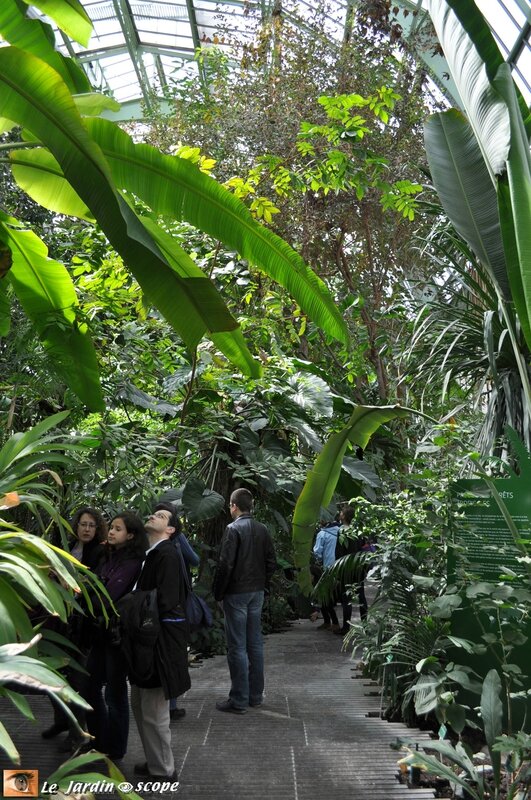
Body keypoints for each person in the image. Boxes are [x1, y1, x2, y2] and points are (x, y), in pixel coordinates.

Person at [130, 505, 191, 780]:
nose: (153, 515)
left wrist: (133, 604)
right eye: (153, 513)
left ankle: (164, 770)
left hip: (159, 641)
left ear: (170, 530)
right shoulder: (152, 554)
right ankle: (155, 761)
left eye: (162, 516)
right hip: (149, 639)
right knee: (142, 706)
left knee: (154, 711)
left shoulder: (166, 553)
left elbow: (165, 600)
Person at [83, 511, 147, 760]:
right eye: (111, 527)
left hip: (116, 636)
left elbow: (107, 595)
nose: (111, 531)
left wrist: (90, 589)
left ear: (130, 535)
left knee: (115, 694)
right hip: (100, 633)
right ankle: (100, 741)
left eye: (118, 529)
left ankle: (116, 748)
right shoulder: (108, 555)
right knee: (90, 687)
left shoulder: (132, 562)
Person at [41, 506, 107, 744]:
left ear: (97, 528)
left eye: (91, 525)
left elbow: (93, 584)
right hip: (59, 620)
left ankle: (77, 732)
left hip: (82, 626)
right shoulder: (67, 547)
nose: (87, 529)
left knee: (78, 681)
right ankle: (61, 721)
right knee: (52, 674)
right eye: (83, 524)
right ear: (76, 526)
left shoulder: (100, 552)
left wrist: (69, 582)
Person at [212, 488, 277, 714]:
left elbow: (225, 564)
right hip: (256, 592)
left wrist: (218, 593)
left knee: (237, 646)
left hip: (237, 593)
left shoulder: (232, 529)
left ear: (233, 506)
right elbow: (271, 561)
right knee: (255, 644)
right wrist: (263, 584)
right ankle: (255, 696)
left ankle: (239, 699)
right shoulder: (262, 529)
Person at [152, 502, 200, 721]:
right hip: (175, 605)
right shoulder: (172, 542)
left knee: (166, 651)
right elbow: (195, 560)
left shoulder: (159, 544)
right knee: (173, 652)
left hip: (163, 606)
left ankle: (167, 704)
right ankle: (171, 704)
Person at [334, 504, 370, 634]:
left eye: (342, 513)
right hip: (358, 567)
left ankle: (346, 627)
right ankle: (365, 626)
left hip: (346, 568)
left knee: (346, 598)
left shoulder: (342, 531)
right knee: (361, 596)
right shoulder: (358, 531)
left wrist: (337, 569)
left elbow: (339, 552)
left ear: (344, 516)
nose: (340, 514)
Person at [312, 517, 341, 631]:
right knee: (329, 596)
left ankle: (333, 622)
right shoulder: (341, 531)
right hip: (340, 566)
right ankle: (328, 621)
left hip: (327, 569)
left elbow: (317, 553)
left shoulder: (322, 534)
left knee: (324, 596)